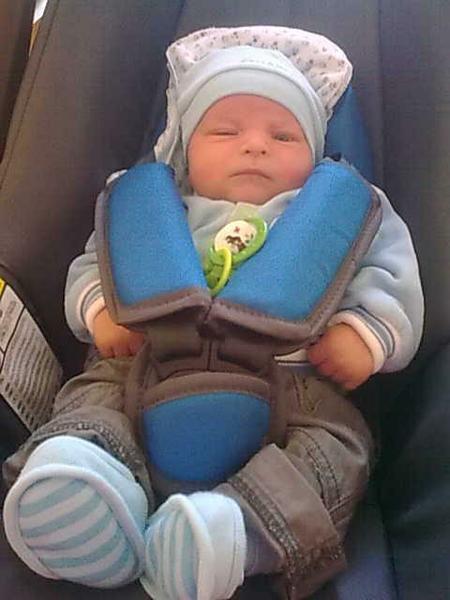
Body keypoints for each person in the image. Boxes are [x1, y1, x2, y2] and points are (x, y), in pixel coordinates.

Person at [2, 26, 424, 600]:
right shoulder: (154, 209)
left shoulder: (339, 214)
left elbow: (390, 274)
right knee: (92, 398)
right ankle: (87, 479)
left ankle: (238, 535)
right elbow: (94, 265)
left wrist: (364, 332)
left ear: (316, 153)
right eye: (225, 130)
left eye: (284, 135)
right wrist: (101, 313)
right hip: (144, 367)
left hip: (295, 386)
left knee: (339, 451)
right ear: (185, 149)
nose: (255, 145)